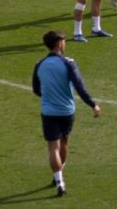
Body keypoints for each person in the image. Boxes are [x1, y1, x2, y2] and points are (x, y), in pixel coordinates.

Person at [32, 29, 100, 196]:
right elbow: (79, 87)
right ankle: (60, 174)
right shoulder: (69, 63)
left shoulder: (39, 64)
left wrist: (48, 96)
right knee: (64, 144)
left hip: (48, 111)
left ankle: (59, 181)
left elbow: (36, 89)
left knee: (52, 148)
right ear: (59, 43)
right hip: (66, 111)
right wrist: (93, 104)